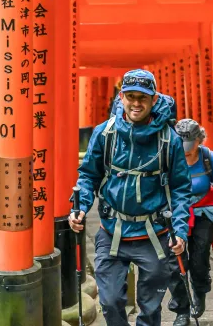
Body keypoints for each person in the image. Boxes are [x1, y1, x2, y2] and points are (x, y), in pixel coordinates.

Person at [69, 69, 192, 326]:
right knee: (111, 302)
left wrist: (179, 230)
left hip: (154, 234)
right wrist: (79, 208)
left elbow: (181, 189)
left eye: (143, 98)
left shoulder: (170, 139)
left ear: (154, 99)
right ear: (121, 96)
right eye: (130, 96)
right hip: (112, 230)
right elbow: (88, 175)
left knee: (150, 308)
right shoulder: (105, 133)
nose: (136, 103)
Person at [167, 119, 213, 326]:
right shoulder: (170, 157)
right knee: (176, 263)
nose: (186, 151)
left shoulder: (209, 158)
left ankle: (199, 292)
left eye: (190, 146)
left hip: (202, 213)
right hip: (175, 214)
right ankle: (181, 309)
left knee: (199, 258)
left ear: (199, 140)